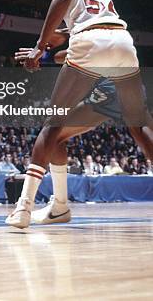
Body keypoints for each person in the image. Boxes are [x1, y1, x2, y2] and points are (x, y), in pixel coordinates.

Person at [6, 0, 151, 229]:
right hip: (123, 41)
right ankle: (59, 206)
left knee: (52, 123)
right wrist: (53, 46)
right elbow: (85, 37)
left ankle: (23, 208)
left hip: (92, 46)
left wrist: (39, 47)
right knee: (139, 127)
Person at [14, 27, 153, 225]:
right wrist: (45, 53)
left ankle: (59, 205)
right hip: (131, 80)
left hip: (110, 86)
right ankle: (59, 207)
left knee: (54, 132)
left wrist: (42, 53)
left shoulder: (79, 26)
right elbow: (63, 50)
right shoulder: (100, 22)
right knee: (141, 133)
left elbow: (62, 52)